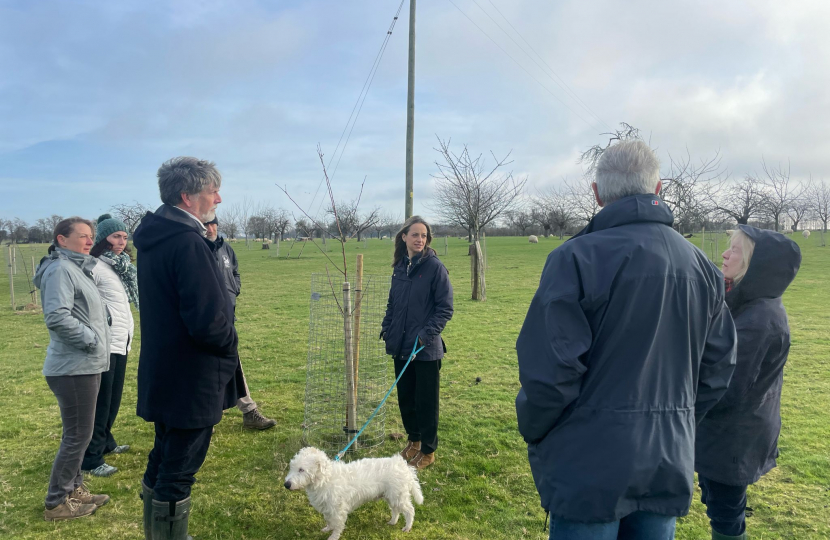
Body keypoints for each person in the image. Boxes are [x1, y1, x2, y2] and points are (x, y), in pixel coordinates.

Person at [515, 140, 738, 540]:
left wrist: (535, 429)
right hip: (665, 458)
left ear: (597, 193)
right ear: (658, 189)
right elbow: (718, 368)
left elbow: (549, 373)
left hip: (586, 465)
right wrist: (676, 418)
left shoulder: (574, 259)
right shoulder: (701, 266)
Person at [133, 157, 245, 540]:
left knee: (163, 458)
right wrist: (230, 344)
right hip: (191, 375)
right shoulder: (186, 241)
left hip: (166, 368)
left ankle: (158, 535)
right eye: (211, 191)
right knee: (179, 471)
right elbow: (207, 321)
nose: (218, 197)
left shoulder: (157, 236)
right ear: (187, 197)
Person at [695, 226, 801, 540]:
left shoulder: (758, 318)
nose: (726, 254)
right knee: (721, 505)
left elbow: (726, 386)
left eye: (736, 250)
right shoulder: (743, 303)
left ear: (756, 264)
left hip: (732, 439)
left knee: (725, 516)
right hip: (730, 436)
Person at [34, 217, 111, 521]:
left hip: (82, 364)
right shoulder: (61, 269)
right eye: (82, 236)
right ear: (61, 240)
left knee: (80, 432)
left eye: (91, 236)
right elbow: (57, 316)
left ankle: (73, 489)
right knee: (78, 435)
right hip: (73, 366)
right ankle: (56, 502)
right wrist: (92, 341)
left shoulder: (77, 268)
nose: (89, 241)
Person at [380, 216, 453, 471]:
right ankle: (413, 440)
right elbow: (392, 304)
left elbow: (445, 309)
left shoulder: (435, 268)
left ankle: (428, 450)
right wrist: (387, 328)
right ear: (404, 237)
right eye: (415, 235)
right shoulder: (400, 267)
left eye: (424, 235)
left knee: (426, 402)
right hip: (400, 346)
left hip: (424, 349)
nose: (420, 239)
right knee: (406, 398)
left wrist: (424, 336)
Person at [204, 216, 276, 430]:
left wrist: (234, 290)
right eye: (205, 224)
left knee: (231, 358)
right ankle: (212, 415)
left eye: (212, 223)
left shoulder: (226, 249)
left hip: (227, 314)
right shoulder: (198, 249)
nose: (209, 228)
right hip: (207, 317)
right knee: (215, 362)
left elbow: (234, 272)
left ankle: (248, 412)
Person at [80, 214, 137, 477]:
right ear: (103, 239)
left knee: (113, 398)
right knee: (101, 401)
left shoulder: (120, 266)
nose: (121, 242)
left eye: (125, 237)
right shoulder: (93, 266)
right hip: (105, 341)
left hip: (121, 340)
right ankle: (91, 459)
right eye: (116, 236)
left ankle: (106, 441)